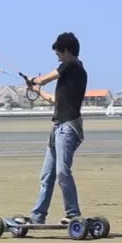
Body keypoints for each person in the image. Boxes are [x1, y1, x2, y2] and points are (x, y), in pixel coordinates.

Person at [24, 32, 87, 225]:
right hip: (57, 128)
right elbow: (54, 99)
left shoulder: (72, 65)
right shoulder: (70, 72)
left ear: (66, 52)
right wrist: (38, 91)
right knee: (47, 175)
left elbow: (46, 78)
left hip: (69, 128)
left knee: (62, 172)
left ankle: (73, 213)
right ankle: (37, 216)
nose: (58, 57)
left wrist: (35, 80)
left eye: (58, 54)